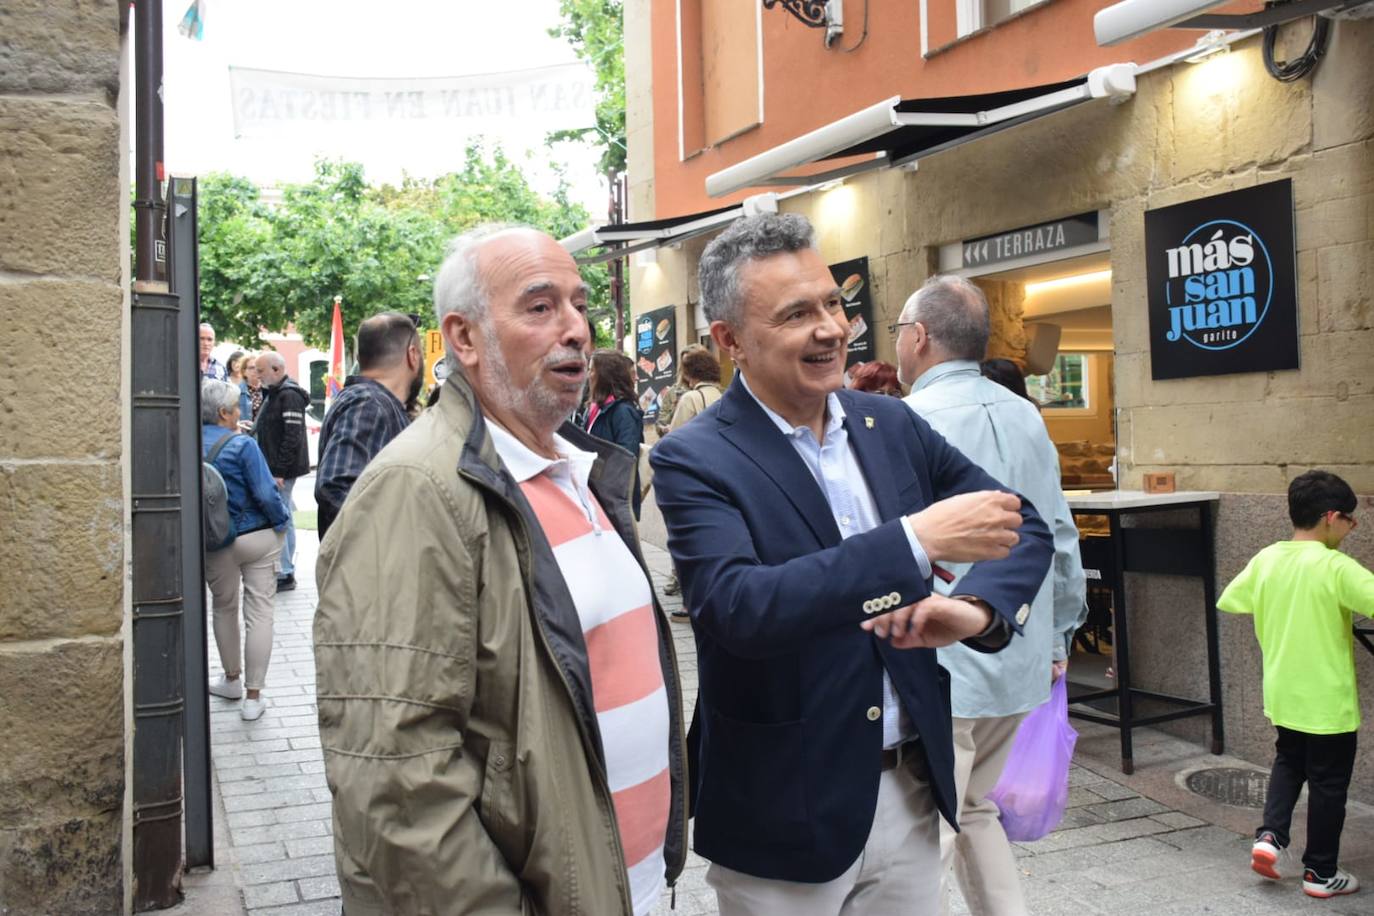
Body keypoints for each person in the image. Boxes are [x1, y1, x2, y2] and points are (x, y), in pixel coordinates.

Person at [650, 212, 1053, 916]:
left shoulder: (888, 423)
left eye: (834, 303)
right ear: (730, 340)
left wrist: (973, 611)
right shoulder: (694, 456)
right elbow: (736, 607)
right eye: (797, 313)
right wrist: (912, 542)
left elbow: (1022, 523)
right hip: (783, 806)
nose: (832, 328)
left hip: (909, 789)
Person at [314, 225, 689, 916]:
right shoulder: (417, 489)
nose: (576, 328)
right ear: (464, 339)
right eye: (541, 307)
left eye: (579, 304)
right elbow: (398, 782)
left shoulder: (582, 469)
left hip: (627, 888)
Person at [897, 275, 1087, 916]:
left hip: (946, 655)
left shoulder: (908, 421)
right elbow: (1057, 532)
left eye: (900, 331)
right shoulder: (1024, 413)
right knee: (974, 806)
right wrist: (1060, 635)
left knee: (930, 821)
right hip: (1021, 651)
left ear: (919, 337)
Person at [1220, 470, 1372, 899]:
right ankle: (1320, 873)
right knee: (1328, 782)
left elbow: (1232, 598)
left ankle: (1270, 836)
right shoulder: (1335, 566)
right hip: (1327, 702)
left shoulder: (1268, 558)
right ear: (1329, 517)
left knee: (1289, 761)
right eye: (1349, 518)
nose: (1352, 526)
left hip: (1283, 693)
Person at [200, 379, 290, 721]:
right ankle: (253, 697)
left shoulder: (189, 442)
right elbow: (267, 495)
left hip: (215, 540)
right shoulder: (243, 445)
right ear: (224, 413)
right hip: (256, 537)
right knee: (260, 613)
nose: (241, 413)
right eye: (237, 407)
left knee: (223, 608)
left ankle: (231, 679)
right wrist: (281, 524)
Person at [314, 312, 423, 539]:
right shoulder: (368, 404)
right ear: (412, 355)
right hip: (370, 570)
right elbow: (336, 486)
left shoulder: (370, 402)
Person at [658, 347, 725, 605]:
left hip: (695, 478)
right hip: (722, 475)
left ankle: (692, 600)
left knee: (691, 538)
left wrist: (664, 430)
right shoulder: (723, 395)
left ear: (688, 373)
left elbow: (675, 440)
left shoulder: (690, 399)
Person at [253, 351, 310, 592]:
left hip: (281, 471)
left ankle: (285, 572)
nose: (257, 375)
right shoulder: (278, 393)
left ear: (276, 370)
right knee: (284, 516)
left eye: (260, 370)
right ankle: (285, 570)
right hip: (278, 468)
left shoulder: (288, 395)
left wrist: (279, 471)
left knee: (282, 517)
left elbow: (292, 437)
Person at [586, 348, 645, 519]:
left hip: (613, 502)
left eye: (592, 370)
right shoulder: (593, 408)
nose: (588, 375)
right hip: (595, 496)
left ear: (604, 374)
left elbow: (625, 459)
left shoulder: (623, 412)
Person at [654, 348, 697, 437]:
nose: (687, 369)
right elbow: (660, 424)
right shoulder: (673, 391)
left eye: (691, 364)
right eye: (684, 364)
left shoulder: (708, 390)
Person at [239, 351, 261, 424]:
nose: (255, 370)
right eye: (251, 368)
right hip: (245, 432)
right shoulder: (237, 392)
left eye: (258, 367)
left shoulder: (268, 390)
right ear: (244, 371)